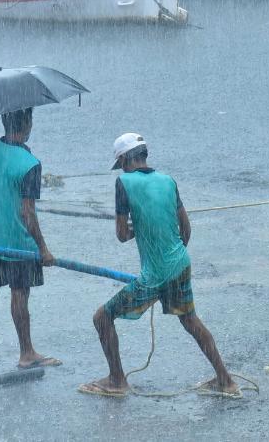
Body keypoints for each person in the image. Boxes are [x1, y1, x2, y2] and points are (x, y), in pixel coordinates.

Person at [80, 134, 238, 398]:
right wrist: (170, 256)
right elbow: (185, 229)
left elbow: (121, 234)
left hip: (156, 273)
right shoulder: (168, 181)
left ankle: (117, 380)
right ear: (144, 154)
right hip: (180, 263)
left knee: (102, 318)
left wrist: (137, 232)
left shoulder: (123, 183)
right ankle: (226, 379)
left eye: (119, 163)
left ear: (122, 160)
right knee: (190, 320)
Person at [0, 108, 60, 369]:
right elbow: (27, 212)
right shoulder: (29, 163)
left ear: (5, 122)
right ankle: (26, 352)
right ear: (27, 123)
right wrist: (43, 249)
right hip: (20, 243)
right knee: (19, 293)